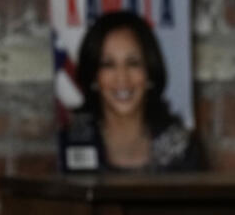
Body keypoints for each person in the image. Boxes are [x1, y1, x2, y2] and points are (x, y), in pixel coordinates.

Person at [65, 10, 203, 173]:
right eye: (108, 65)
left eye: (133, 63)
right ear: (94, 77)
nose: (122, 78)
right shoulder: (72, 143)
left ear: (149, 72)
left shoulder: (181, 148)